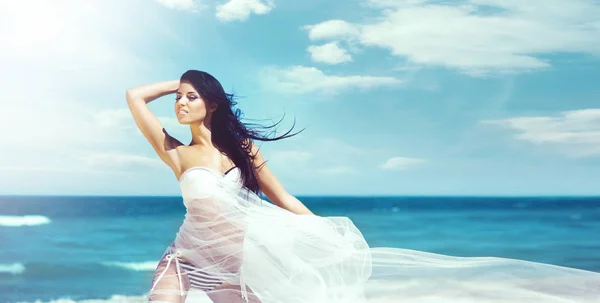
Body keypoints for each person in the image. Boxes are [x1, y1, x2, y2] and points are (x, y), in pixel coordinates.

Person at [126, 70, 600, 303]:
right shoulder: (174, 152)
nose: (180, 105)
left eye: (191, 98)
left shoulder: (242, 151)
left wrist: (321, 232)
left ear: (210, 104)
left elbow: (282, 196)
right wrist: (182, 80)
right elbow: (133, 96)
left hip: (237, 261)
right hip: (187, 256)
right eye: (179, 99)